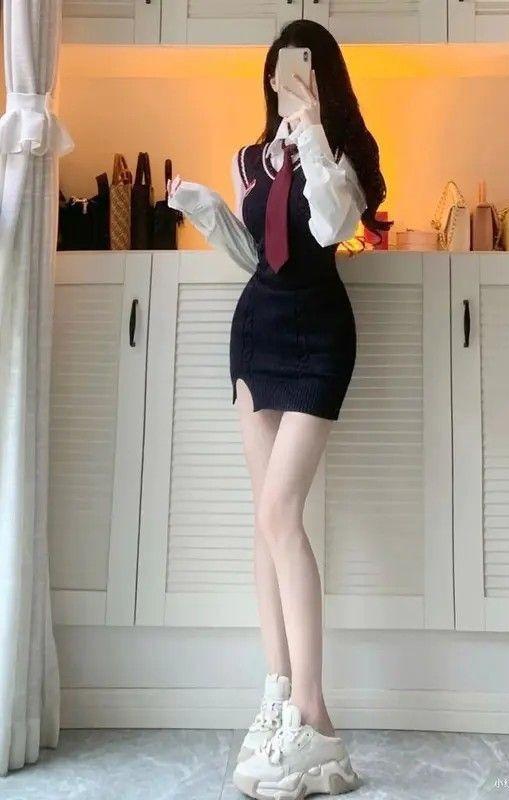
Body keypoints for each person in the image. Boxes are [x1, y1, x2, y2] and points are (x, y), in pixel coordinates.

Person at [167, 18, 391, 799]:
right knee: (265, 520)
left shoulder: (347, 153)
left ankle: (316, 718)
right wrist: (205, 209)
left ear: (322, 79)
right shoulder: (248, 159)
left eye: (299, 70)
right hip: (257, 331)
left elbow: (333, 226)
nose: (284, 83)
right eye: (277, 72)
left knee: (278, 513)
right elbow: (255, 254)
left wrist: (313, 134)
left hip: (320, 333)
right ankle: (278, 697)